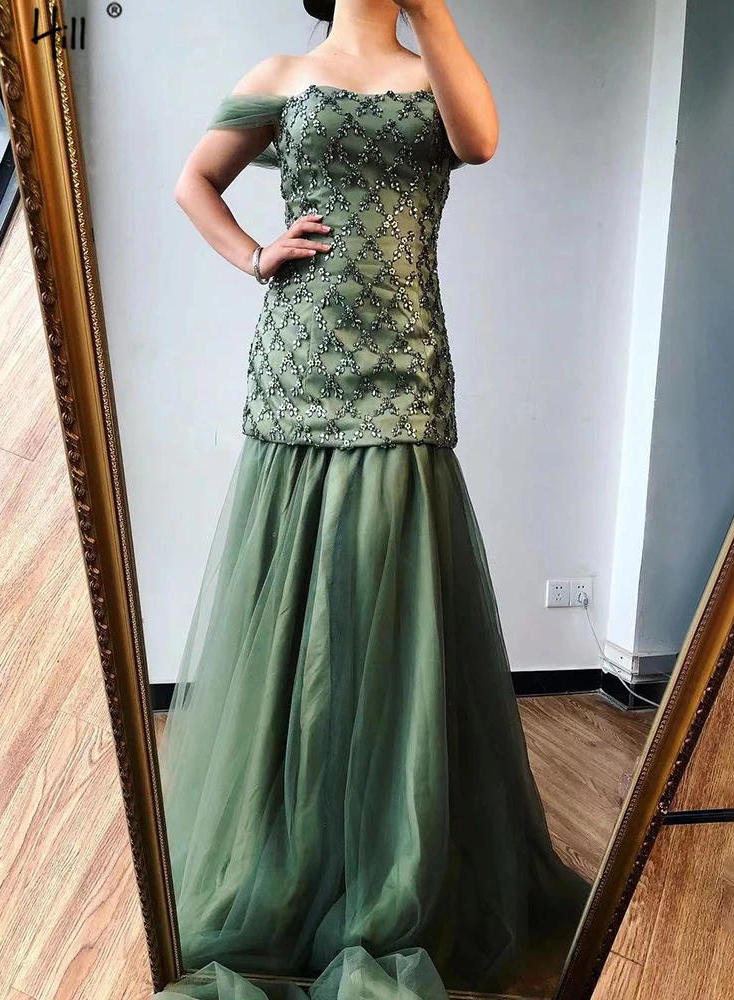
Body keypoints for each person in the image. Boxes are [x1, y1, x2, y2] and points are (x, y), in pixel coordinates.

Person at [159, 1, 589, 997]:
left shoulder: (435, 72)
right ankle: (291, 853)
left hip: (403, 363)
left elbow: (480, 142)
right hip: (302, 360)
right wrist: (252, 254)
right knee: (295, 612)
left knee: (392, 607)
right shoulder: (279, 73)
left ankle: (393, 863)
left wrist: (430, 12)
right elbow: (194, 182)